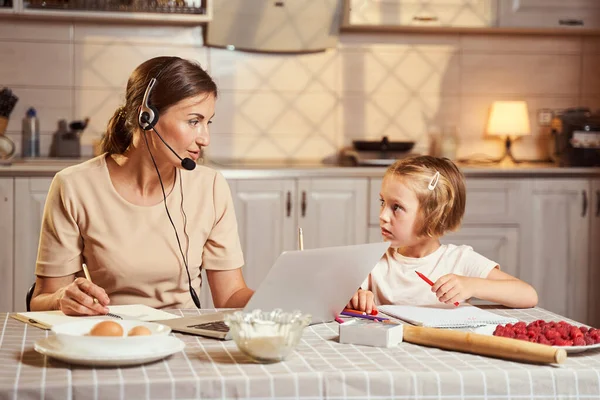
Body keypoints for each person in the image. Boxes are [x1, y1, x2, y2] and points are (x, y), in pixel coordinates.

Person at [30, 56, 254, 315]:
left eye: (208, 122)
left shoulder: (211, 187)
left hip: (186, 339)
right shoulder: (73, 186)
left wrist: (285, 298)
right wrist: (62, 299)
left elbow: (230, 297)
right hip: (108, 335)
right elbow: (41, 299)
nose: (205, 138)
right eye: (194, 121)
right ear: (147, 117)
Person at [348, 155, 538, 314]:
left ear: (433, 215)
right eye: (382, 202)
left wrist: (472, 285)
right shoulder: (374, 262)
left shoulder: (459, 260)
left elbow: (528, 295)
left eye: (396, 207)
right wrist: (356, 296)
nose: (382, 215)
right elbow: (337, 295)